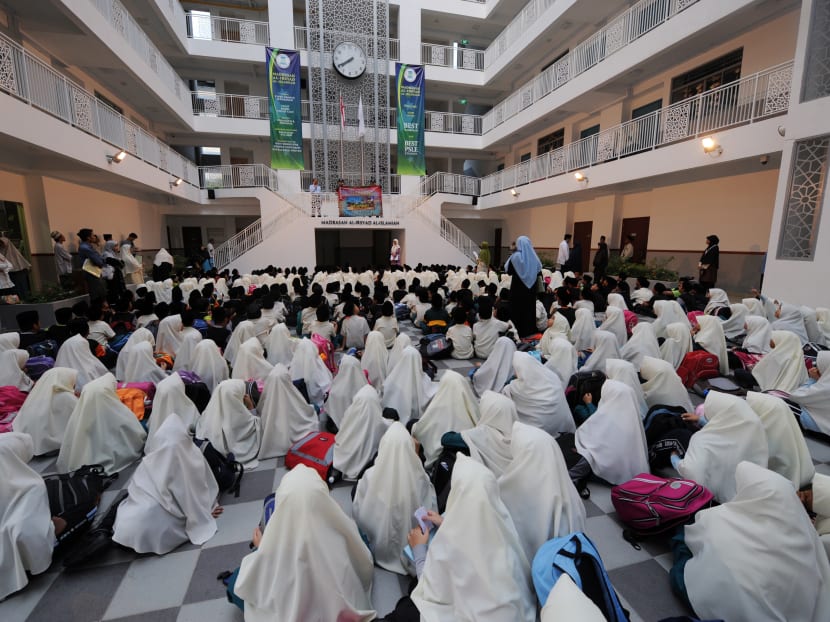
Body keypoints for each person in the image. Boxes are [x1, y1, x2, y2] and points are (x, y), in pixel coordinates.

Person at [671, 462, 830, 621]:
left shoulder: (722, 517)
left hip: (717, 604)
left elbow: (696, 534)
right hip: (782, 612)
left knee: (683, 541)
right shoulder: (806, 537)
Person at [505, 236, 542, 339]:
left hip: (517, 289)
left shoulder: (515, 256)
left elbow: (509, 271)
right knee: (529, 309)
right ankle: (528, 331)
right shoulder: (534, 257)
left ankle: (516, 331)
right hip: (530, 290)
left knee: (516, 309)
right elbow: (539, 271)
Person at [77, 228, 106, 303]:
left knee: (98, 293)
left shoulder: (87, 246)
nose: (94, 237)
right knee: (97, 294)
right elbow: (98, 261)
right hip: (92, 272)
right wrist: (103, 261)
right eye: (93, 235)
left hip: (93, 272)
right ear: (88, 237)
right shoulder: (85, 247)